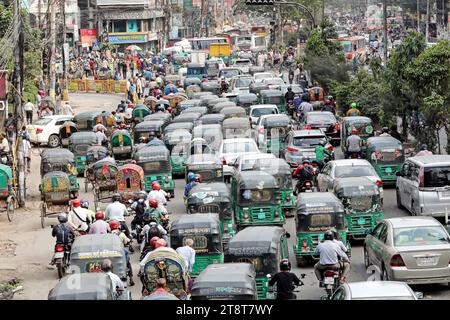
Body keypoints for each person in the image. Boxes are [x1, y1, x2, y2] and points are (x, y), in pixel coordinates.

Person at [110, 220, 135, 286]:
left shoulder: (108, 234)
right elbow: (127, 241)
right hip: (120, 251)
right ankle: (131, 278)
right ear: (118, 226)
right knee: (128, 262)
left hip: (110, 251)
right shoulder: (121, 234)